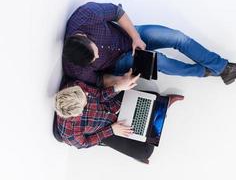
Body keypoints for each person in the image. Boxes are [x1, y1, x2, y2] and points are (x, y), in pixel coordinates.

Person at [62, 2, 236, 86]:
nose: (97, 57)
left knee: (177, 37)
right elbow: (97, 80)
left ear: (84, 36)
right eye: (94, 60)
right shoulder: (75, 67)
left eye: (94, 52)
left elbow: (116, 12)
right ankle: (207, 72)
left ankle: (223, 69)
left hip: (129, 36)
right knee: (159, 61)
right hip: (119, 62)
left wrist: (136, 38)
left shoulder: (86, 15)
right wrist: (119, 81)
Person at [54, 69, 183, 163]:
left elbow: (98, 95)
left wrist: (117, 88)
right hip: (104, 128)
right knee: (145, 152)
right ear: (78, 114)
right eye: (84, 105)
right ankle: (159, 112)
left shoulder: (76, 87)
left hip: (108, 106)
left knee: (152, 97)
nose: (87, 99)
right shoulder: (70, 133)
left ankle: (161, 106)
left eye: (85, 97)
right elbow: (85, 143)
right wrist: (111, 130)